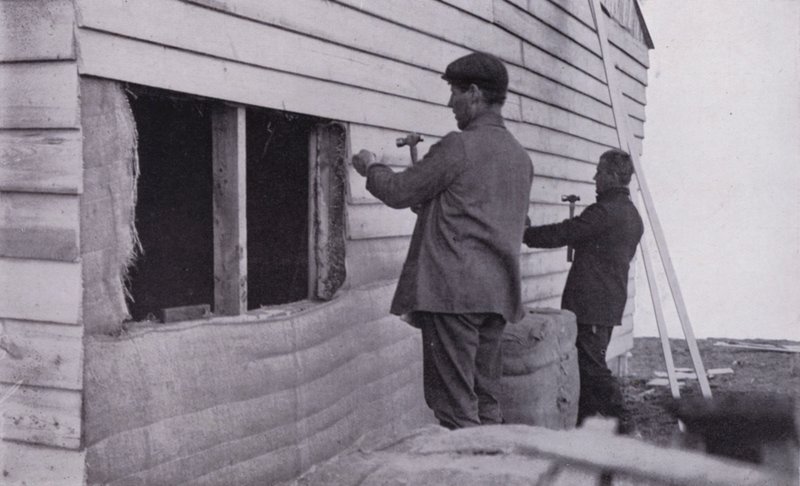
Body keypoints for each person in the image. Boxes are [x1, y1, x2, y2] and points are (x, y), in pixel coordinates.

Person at [351, 51, 533, 429]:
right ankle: (498, 461)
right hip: (497, 296)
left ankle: (466, 463)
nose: (450, 103)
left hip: (454, 296)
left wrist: (371, 166)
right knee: (486, 402)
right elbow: (484, 213)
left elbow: (399, 191)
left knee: (455, 407)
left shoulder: (458, 145)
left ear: (474, 93)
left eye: (454, 92)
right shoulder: (520, 157)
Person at [522, 149, 643, 433]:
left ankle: (626, 424)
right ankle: (582, 429)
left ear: (613, 176)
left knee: (591, 368)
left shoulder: (604, 213)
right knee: (584, 370)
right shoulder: (630, 214)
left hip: (592, 306)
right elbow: (592, 241)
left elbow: (565, 232)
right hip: (606, 304)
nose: (594, 177)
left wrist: (525, 233)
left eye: (599, 171)